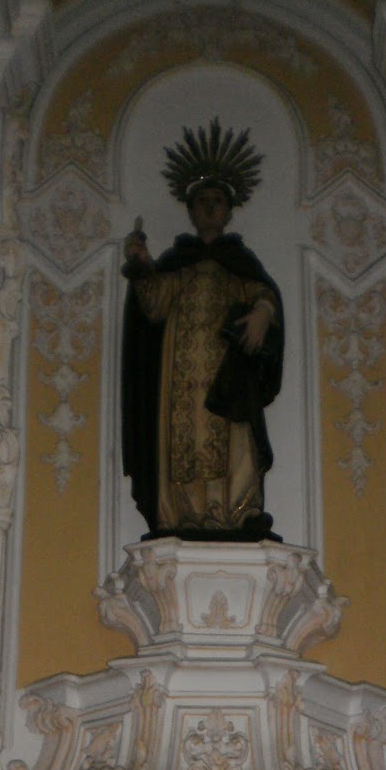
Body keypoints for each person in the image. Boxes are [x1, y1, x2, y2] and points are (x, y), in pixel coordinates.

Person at [121, 119, 283, 543]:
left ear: (229, 210)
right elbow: (153, 305)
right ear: (191, 210)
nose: (210, 208)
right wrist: (141, 266)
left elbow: (263, 295)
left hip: (226, 378)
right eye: (202, 202)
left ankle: (235, 513)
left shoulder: (239, 265)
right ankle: (185, 515)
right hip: (181, 382)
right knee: (182, 446)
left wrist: (264, 311)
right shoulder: (179, 266)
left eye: (217, 201)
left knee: (233, 442)